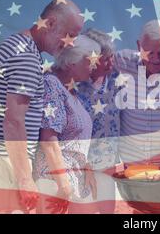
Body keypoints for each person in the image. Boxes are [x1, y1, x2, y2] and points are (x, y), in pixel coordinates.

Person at [0, 0, 83, 213]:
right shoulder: (26, 58)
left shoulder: (18, 45)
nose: (71, 43)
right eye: (70, 34)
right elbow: (14, 121)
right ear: (49, 23)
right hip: (2, 161)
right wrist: (24, 179)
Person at [32, 34, 100, 214]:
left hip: (73, 177)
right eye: (90, 60)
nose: (94, 65)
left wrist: (87, 168)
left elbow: (74, 139)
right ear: (72, 62)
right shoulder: (51, 85)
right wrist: (63, 184)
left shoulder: (69, 91)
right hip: (55, 180)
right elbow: (48, 140)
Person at [114, 20, 160, 168]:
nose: (155, 59)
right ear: (138, 46)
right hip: (130, 163)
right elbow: (89, 57)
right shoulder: (123, 61)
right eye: (149, 53)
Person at [76, 29, 121, 214]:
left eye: (112, 56)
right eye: (105, 58)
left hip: (108, 165)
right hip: (81, 166)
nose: (111, 62)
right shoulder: (76, 84)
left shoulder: (116, 78)